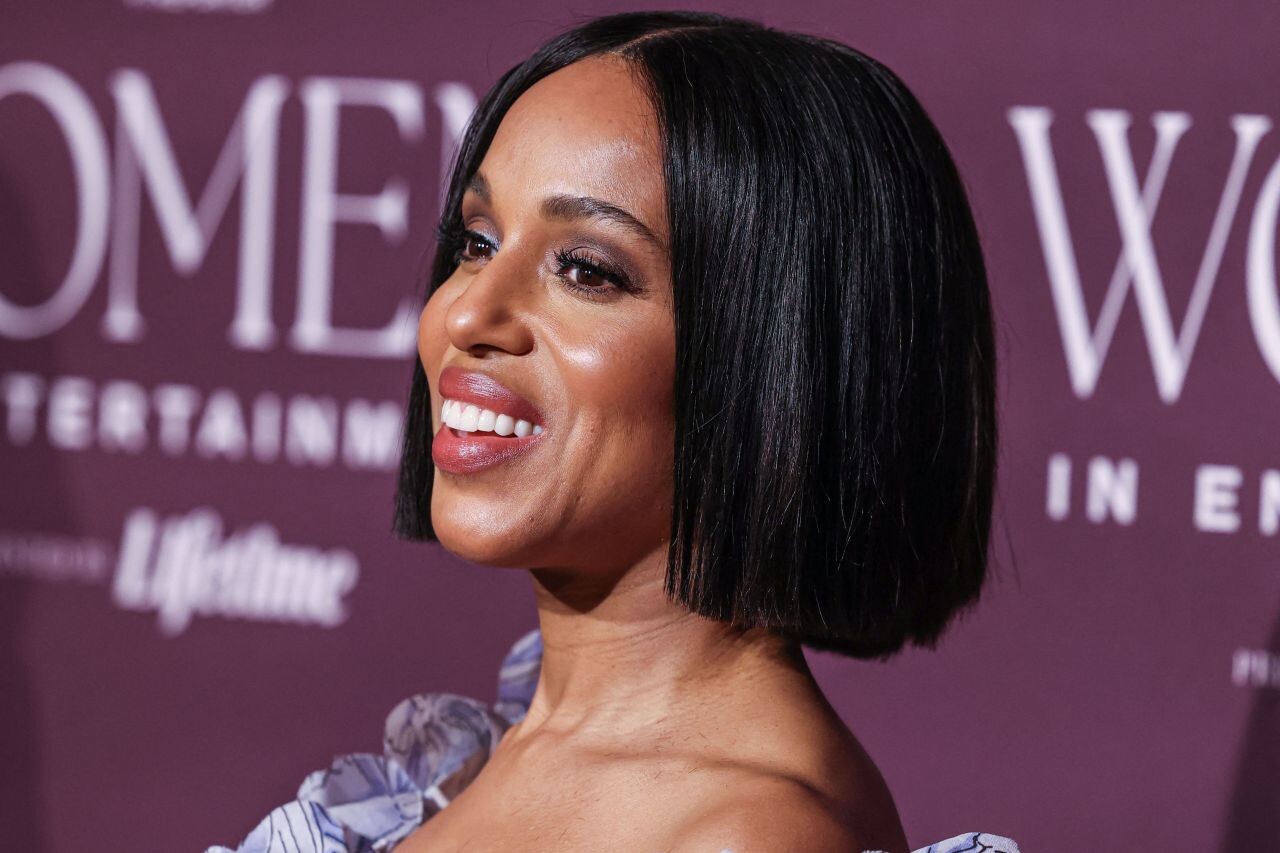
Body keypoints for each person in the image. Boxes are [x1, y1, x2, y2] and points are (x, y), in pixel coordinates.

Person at [209, 11, 1017, 853]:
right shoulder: (472, 767)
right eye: (478, 242)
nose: (468, 312)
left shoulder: (746, 835)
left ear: (778, 360)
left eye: (586, 269)